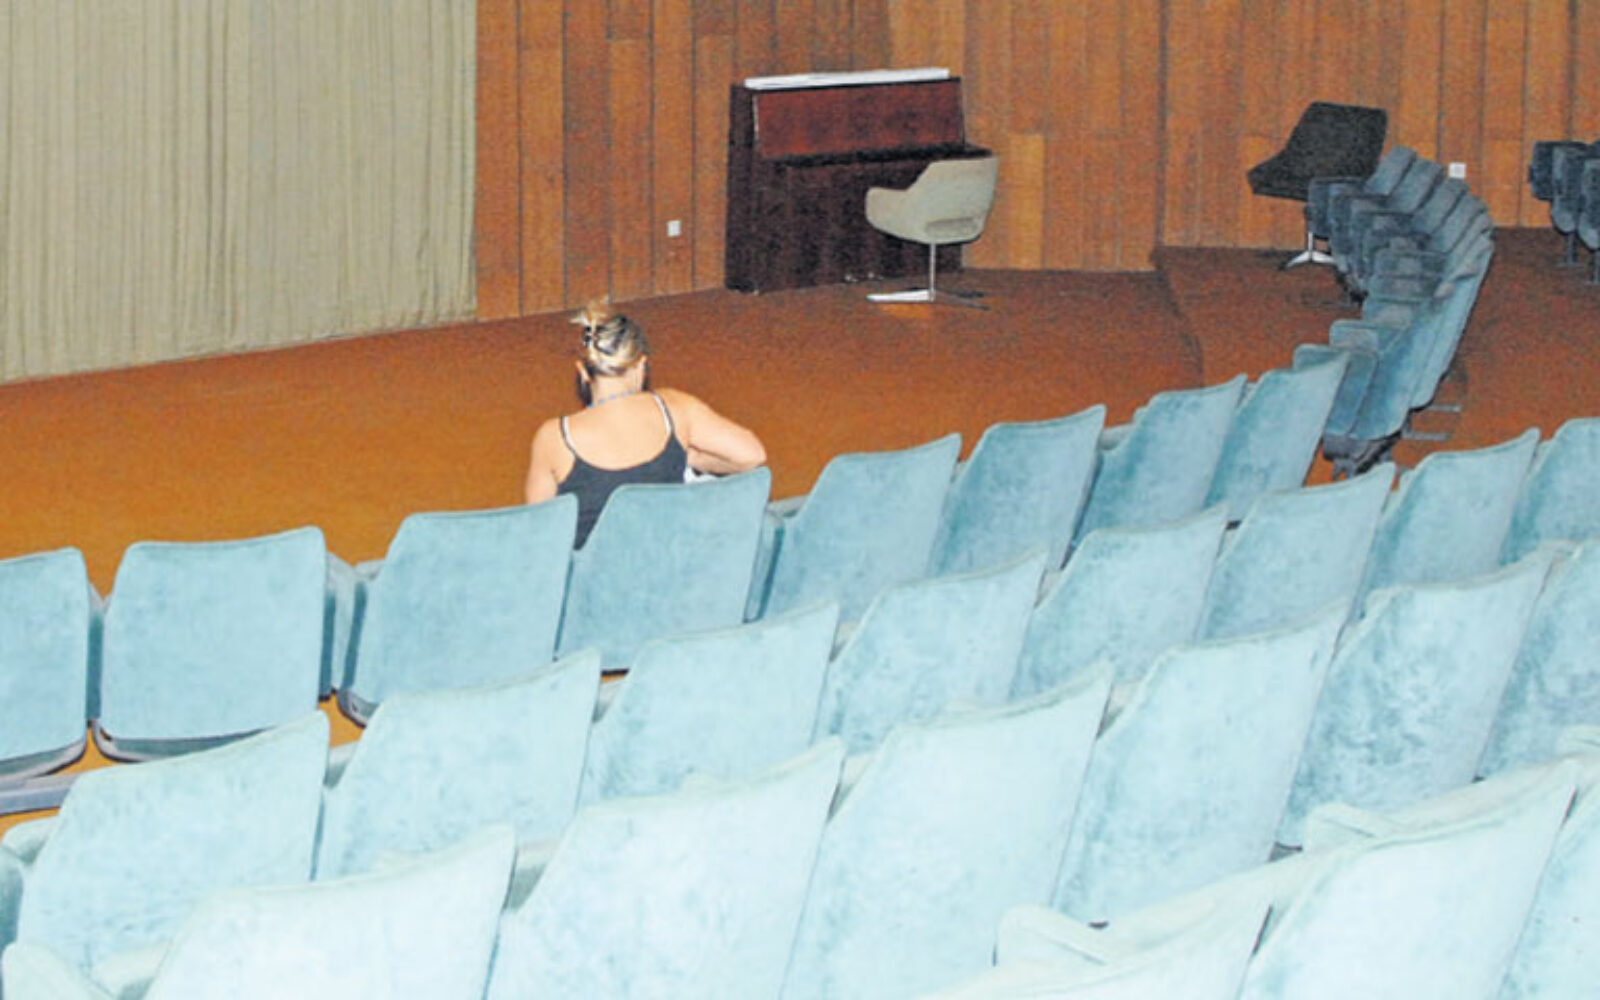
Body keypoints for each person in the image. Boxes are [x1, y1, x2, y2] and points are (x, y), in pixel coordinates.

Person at [525, 299, 767, 547]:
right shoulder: (676, 407)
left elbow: (538, 523)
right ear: (640, 366)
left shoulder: (555, 436)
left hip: (597, 568)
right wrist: (694, 459)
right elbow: (752, 456)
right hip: (668, 558)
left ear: (583, 372)